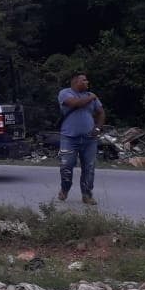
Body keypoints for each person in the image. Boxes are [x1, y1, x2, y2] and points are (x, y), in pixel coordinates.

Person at [57, 73, 105, 205]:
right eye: (84, 80)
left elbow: (101, 112)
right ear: (75, 82)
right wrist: (92, 97)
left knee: (89, 168)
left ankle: (87, 195)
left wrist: (97, 128)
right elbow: (75, 104)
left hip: (89, 139)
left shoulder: (90, 95)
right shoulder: (65, 93)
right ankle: (65, 189)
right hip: (69, 137)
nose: (87, 82)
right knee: (66, 165)